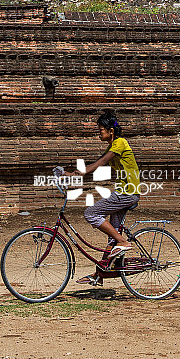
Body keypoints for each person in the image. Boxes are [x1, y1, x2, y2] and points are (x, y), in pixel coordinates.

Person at [62, 110, 141, 286]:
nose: (99, 133)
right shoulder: (112, 146)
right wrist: (73, 174)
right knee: (112, 236)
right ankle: (100, 274)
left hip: (127, 193)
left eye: (101, 130)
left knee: (91, 213)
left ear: (110, 131)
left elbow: (101, 162)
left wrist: (78, 174)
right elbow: (98, 163)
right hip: (124, 193)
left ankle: (123, 242)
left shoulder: (120, 142)